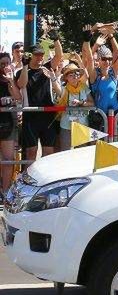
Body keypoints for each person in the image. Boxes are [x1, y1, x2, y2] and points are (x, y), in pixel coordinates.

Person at [15, 44, 61, 161]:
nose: (40, 57)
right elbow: (21, 84)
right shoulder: (21, 71)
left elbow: (59, 56)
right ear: (30, 56)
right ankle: (27, 179)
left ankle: (45, 179)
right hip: (30, 116)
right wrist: (25, 65)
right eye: (37, 55)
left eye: (42, 55)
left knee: (48, 153)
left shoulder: (47, 68)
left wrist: (56, 40)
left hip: (48, 116)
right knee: (31, 152)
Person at [56, 63, 95, 150]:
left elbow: (92, 103)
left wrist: (81, 103)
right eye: (71, 75)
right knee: (66, 153)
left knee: (81, 154)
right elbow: (57, 90)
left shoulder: (84, 87)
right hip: (66, 126)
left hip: (82, 125)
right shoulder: (63, 89)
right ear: (66, 78)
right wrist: (54, 78)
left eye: (77, 74)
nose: (75, 77)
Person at [0, 52, 22, 194]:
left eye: (7, 63)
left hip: (8, 124)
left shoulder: (11, 80)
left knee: (8, 160)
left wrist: (10, 81)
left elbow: (18, 97)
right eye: (2, 64)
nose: (5, 66)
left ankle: (5, 191)